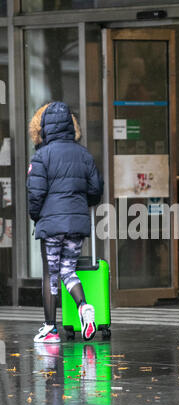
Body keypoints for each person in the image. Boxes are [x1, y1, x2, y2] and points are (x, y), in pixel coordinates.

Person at [27, 101, 103, 343]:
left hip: (51, 224)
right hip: (76, 223)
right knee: (68, 270)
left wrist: (37, 216)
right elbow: (95, 190)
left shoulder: (42, 156)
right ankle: (83, 306)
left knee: (51, 274)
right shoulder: (84, 155)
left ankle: (50, 328)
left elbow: (35, 194)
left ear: (47, 127)